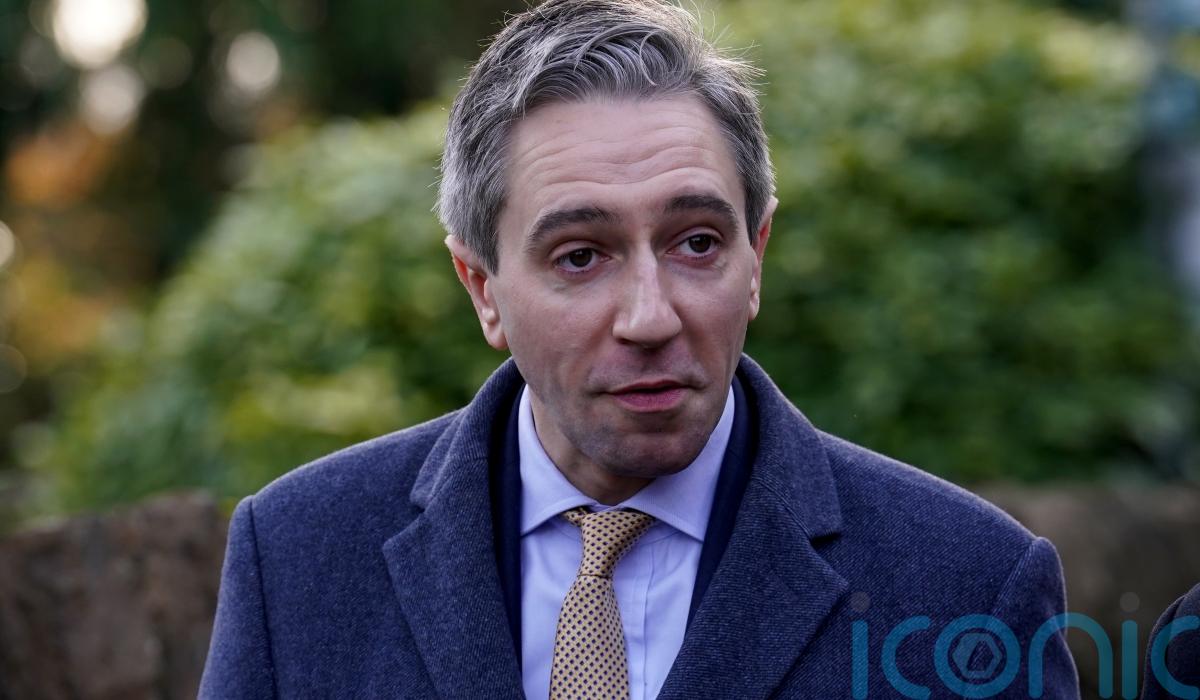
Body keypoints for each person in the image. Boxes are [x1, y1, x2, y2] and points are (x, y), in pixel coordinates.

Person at [200, 1, 1079, 697]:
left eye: (697, 242)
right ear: (482, 289)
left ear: (757, 257)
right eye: (581, 256)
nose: (650, 316)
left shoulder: (969, 587)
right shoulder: (299, 557)